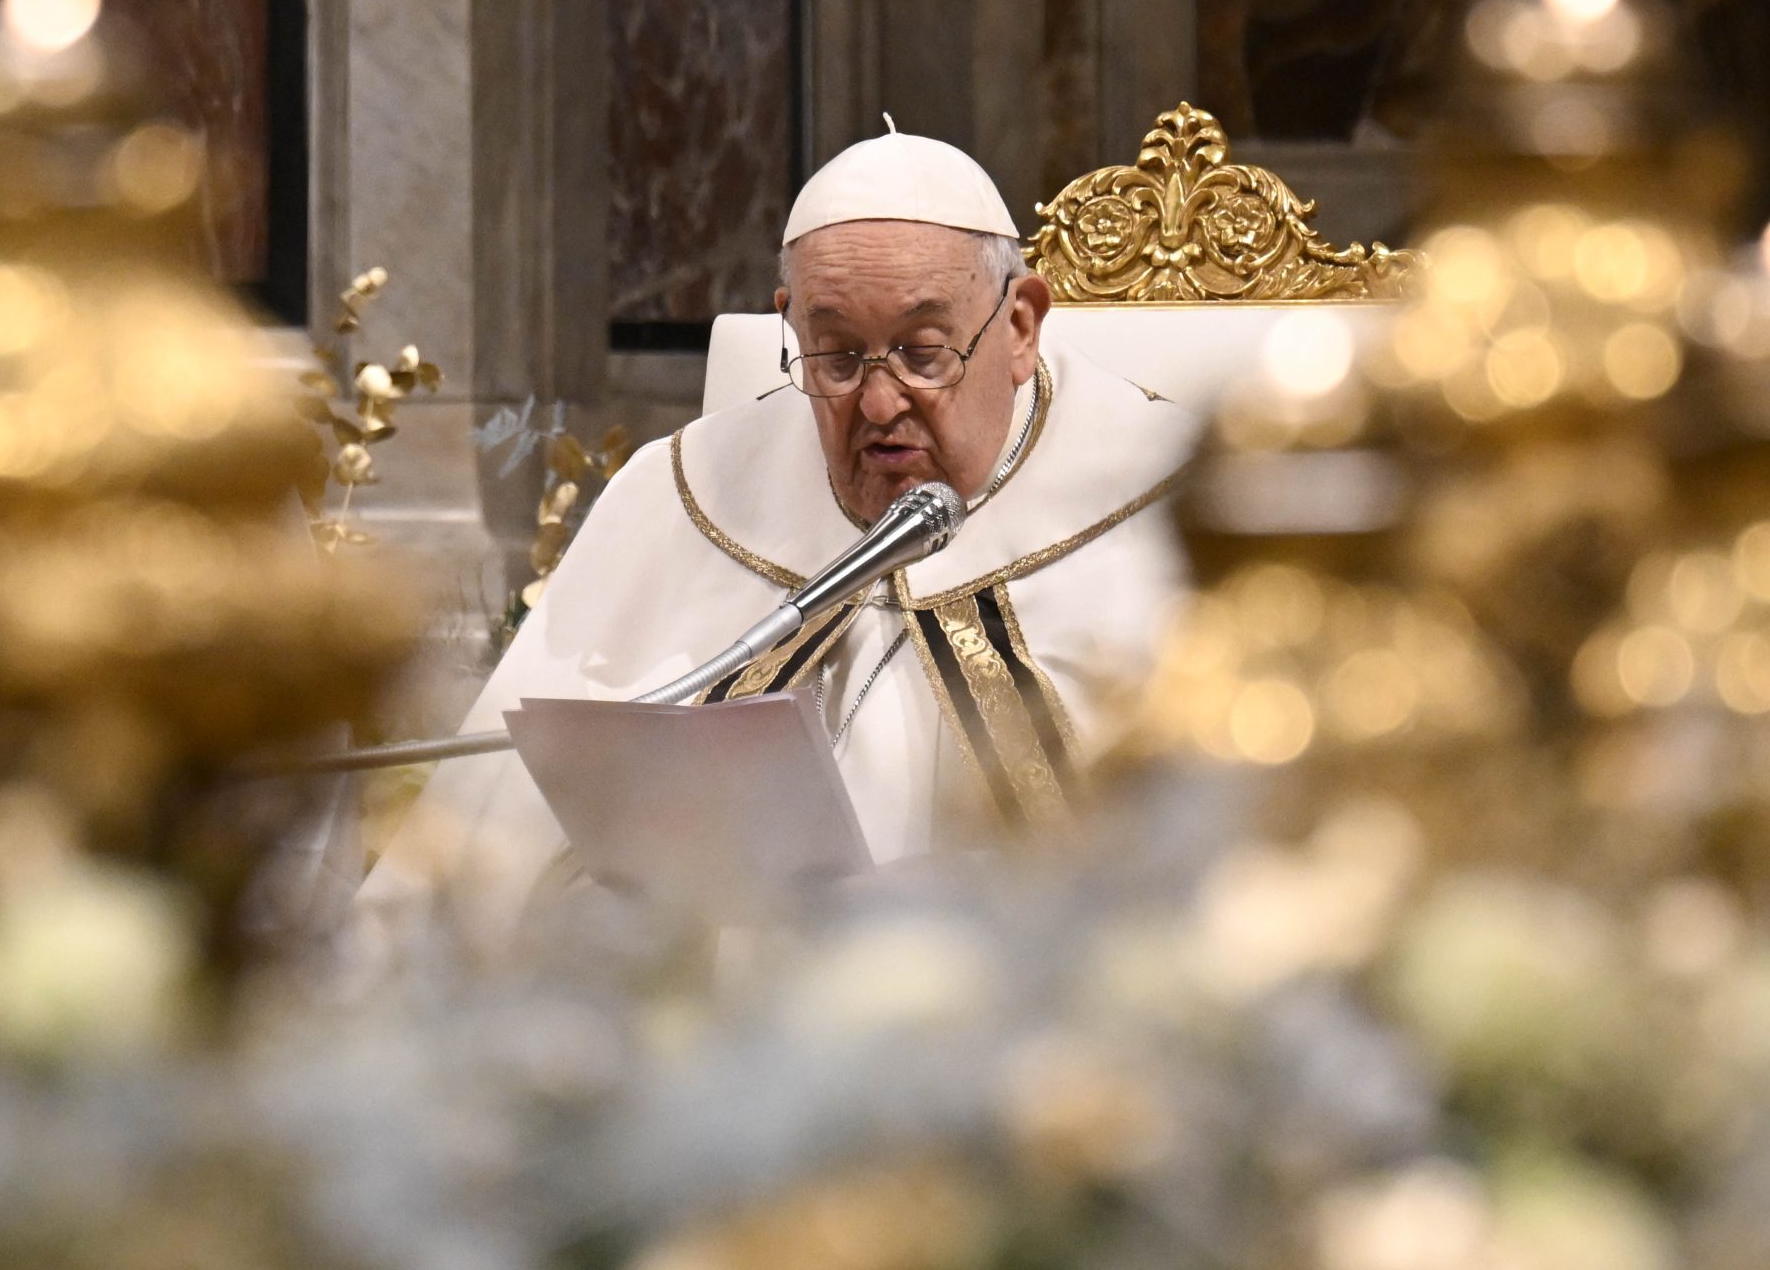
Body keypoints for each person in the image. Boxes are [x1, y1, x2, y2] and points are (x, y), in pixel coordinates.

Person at [353, 125, 1198, 950]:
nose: (878, 404)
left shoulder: (1175, 511)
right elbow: (491, 852)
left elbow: (1202, 878)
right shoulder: (683, 493)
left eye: (923, 351)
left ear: (1019, 327)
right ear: (788, 325)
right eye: (834, 358)